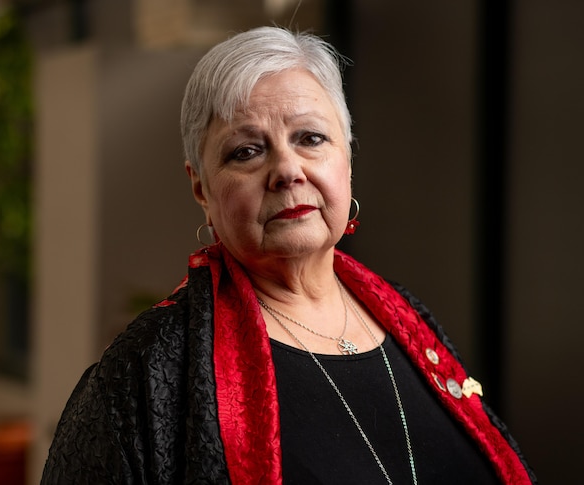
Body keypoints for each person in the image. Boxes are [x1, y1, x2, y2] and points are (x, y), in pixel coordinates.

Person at [41, 26, 536, 484]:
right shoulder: (142, 372)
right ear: (201, 188)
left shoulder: (410, 321)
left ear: (346, 159)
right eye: (246, 151)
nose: (287, 170)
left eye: (311, 138)